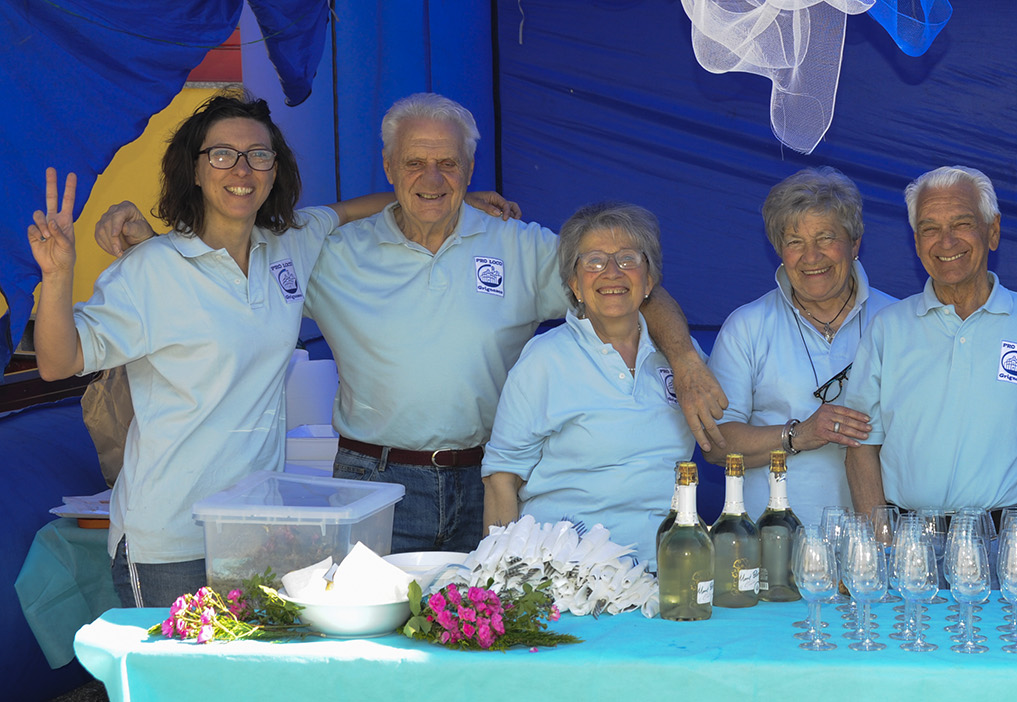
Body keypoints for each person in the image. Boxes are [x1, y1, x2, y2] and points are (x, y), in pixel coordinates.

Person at [297, 94, 725, 554]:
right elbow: (263, 232)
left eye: (448, 163)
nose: (433, 178)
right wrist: (351, 210)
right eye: (414, 163)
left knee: (489, 623)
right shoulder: (334, 255)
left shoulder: (519, 245)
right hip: (377, 482)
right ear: (387, 166)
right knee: (372, 620)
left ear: (470, 165)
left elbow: (629, 285)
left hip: (489, 480)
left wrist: (684, 360)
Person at [29, 93, 407, 607]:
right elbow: (58, 361)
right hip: (168, 540)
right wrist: (56, 275)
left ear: (275, 171)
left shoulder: (287, 243)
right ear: (196, 169)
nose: (242, 168)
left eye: (259, 154)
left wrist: (454, 200)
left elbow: (348, 211)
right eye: (223, 154)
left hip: (253, 532)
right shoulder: (151, 269)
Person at [842, 166, 1017, 531]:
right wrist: (882, 545)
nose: (946, 242)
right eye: (930, 228)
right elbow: (859, 447)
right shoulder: (887, 329)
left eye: (962, 224)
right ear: (916, 243)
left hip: (1016, 550)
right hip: (913, 550)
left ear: (993, 231)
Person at [481, 202, 697, 567]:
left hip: (666, 570)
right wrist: (503, 579)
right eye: (593, 261)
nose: (611, 273)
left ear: (650, 279)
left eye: (628, 259)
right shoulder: (543, 360)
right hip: (566, 573)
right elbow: (501, 478)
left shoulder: (684, 362)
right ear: (574, 284)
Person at [705, 167, 896, 520]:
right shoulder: (746, 326)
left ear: (855, 243)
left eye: (825, 238)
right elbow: (717, 445)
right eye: (795, 242)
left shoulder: (898, 320)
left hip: (876, 549)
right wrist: (798, 435)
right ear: (779, 250)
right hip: (772, 545)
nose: (811, 257)